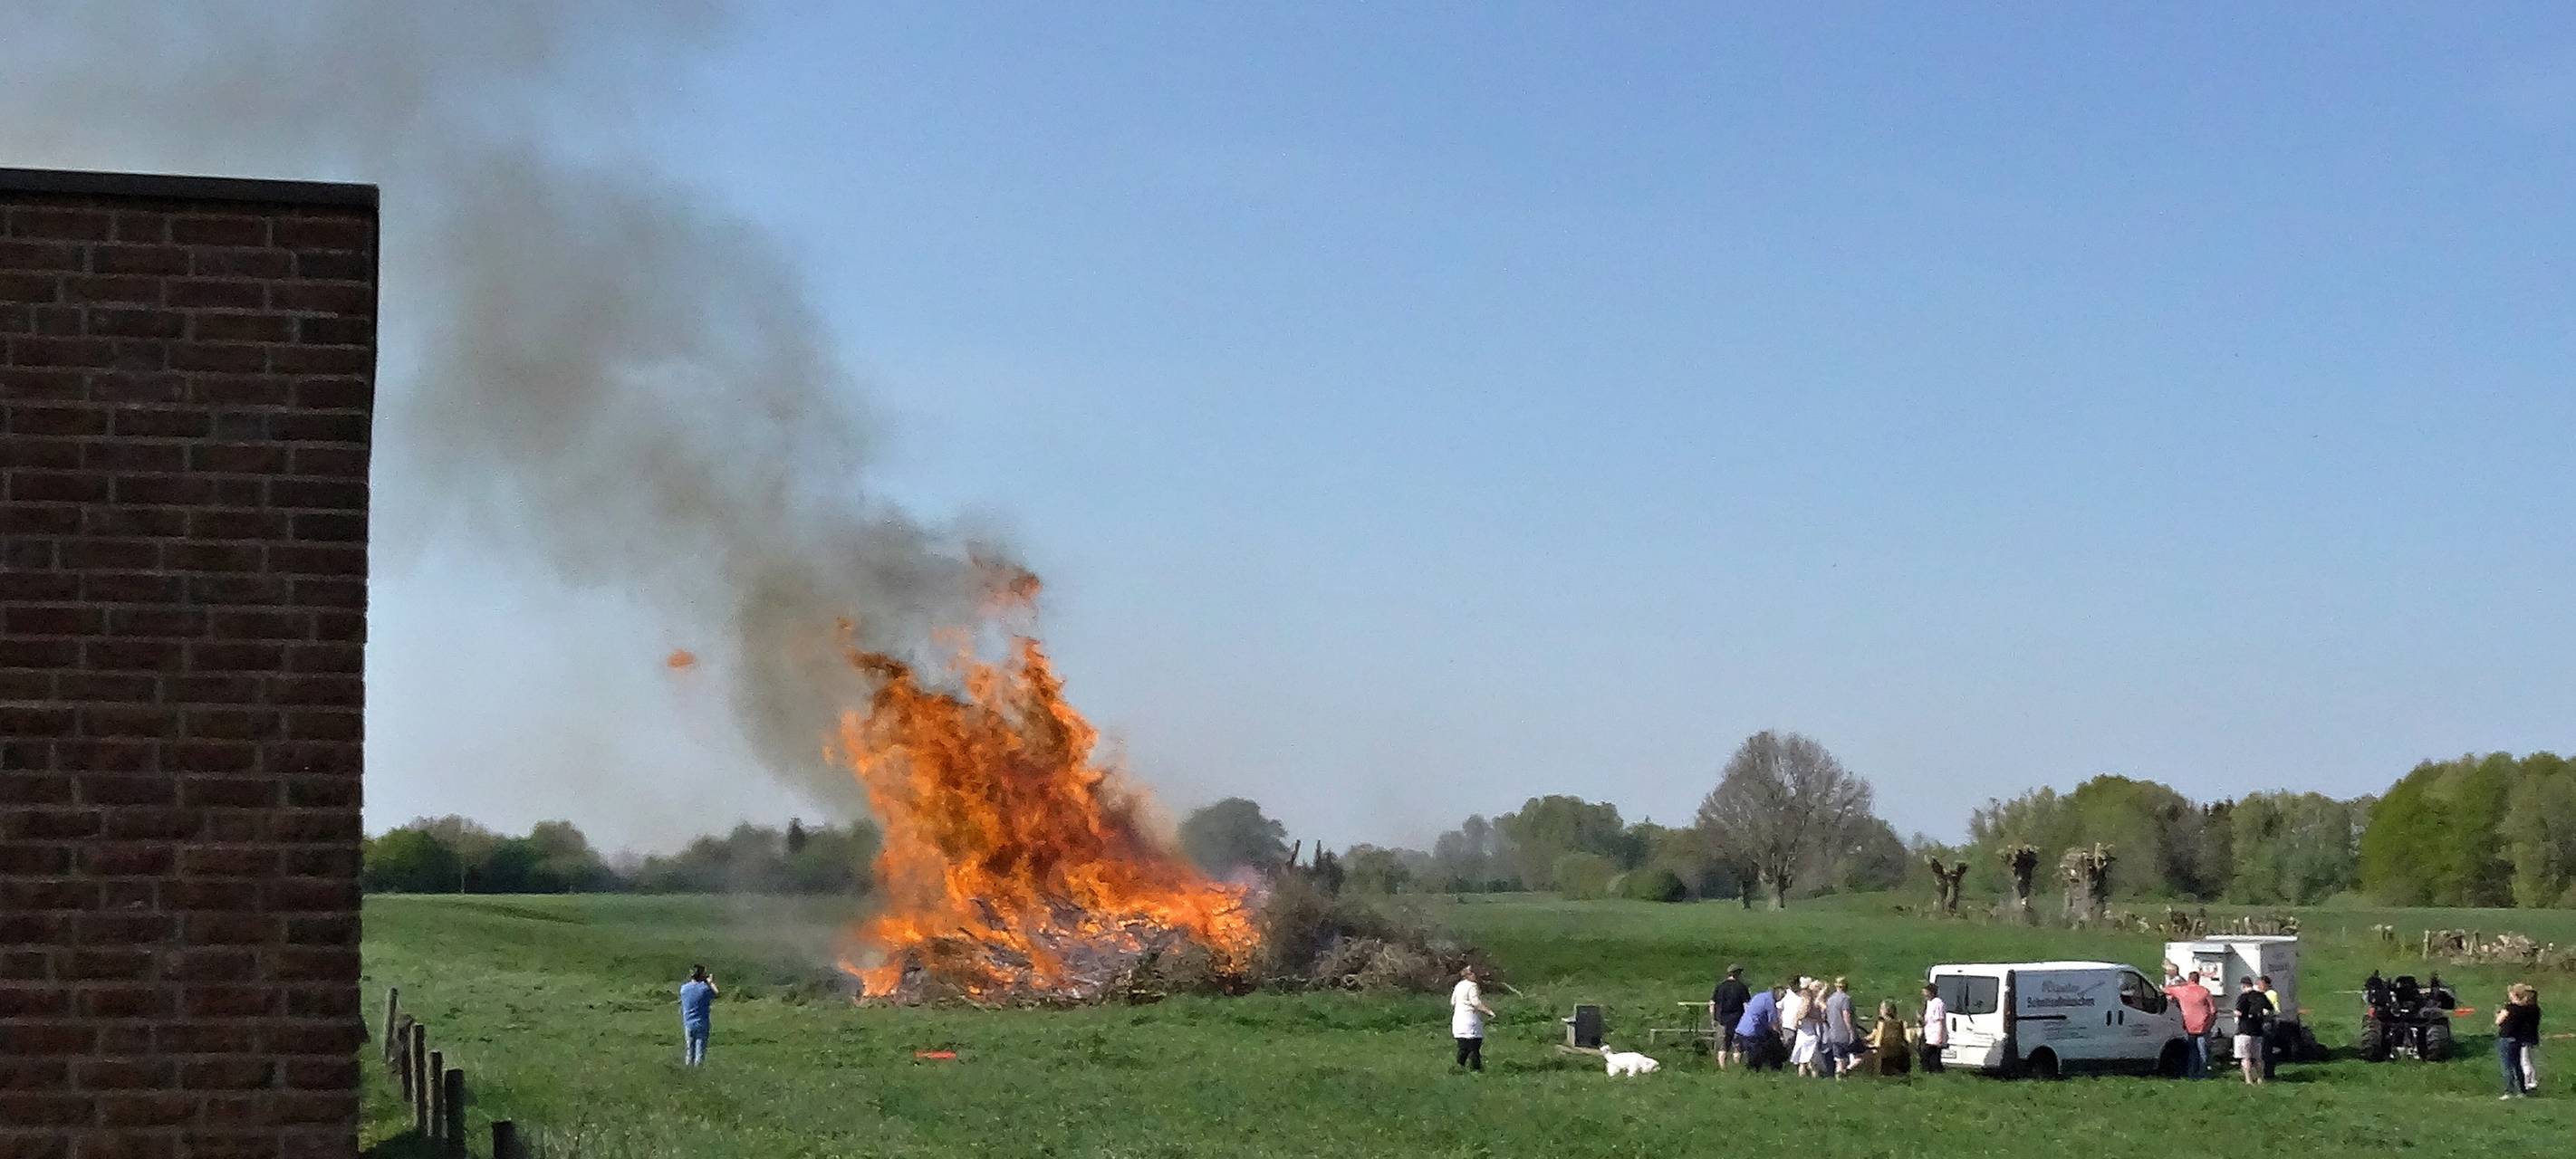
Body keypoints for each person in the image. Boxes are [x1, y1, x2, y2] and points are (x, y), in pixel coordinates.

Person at [2163, 970, 2216, 1078]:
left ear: (2189, 979)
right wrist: (2211, 1023)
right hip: (2203, 1025)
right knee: (2203, 1050)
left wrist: (2182, 984)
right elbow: (2213, 1010)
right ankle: (2202, 1073)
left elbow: (2165, 990)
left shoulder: (2182, 991)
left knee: (2192, 1051)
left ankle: (2191, 1073)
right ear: (2198, 980)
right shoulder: (2204, 991)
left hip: (2189, 1025)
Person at [2496, 982, 2541, 1098]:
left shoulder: (2510, 1008)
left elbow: (2498, 1021)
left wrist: (2498, 1014)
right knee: (2517, 1065)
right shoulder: (2526, 1009)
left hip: (2506, 1038)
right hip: (2518, 1039)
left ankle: (2509, 1091)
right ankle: (2522, 1090)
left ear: (2515, 995)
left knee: (2507, 1066)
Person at [1450, 966, 1494, 1073]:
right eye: (1473, 973)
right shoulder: (1472, 986)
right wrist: (1489, 1012)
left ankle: (1459, 1067)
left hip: (1458, 1020)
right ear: (1468, 975)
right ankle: (1476, 1069)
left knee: (1463, 1047)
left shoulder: (1459, 986)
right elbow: (1476, 1003)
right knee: (1474, 1047)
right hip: (1470, 1021)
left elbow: (1452, 1002)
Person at [1735, 980, 1783, 1071]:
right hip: (1753, 1031)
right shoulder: (1770, 1002)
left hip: (1742, 1028)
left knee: (1745, 1051)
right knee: (1756, 1055)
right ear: (1778, 993)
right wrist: (1780, 1034)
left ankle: (1743, 1069)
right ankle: (1755, 1070)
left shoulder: (1759, 996)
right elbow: (1773, 1022)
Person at [1711, 964, 1752, 1070]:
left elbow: (1712, 1003)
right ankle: (1737, 1067)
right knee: (1737, 1045)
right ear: (1738, 974)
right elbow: (1746, 1005)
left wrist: (1713, 1017)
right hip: (1737, 1019)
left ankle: (1722, 1068)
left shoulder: (1720, 986)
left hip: (1722, 1019)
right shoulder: (1742, 987)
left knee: (1723, 1045)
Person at [2231, 976, 2269, 1085]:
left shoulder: (2243, 997)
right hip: (2258, 1030)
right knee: (2258, 1058)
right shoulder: (2261, 996)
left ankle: (2249, 1080)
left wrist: (2234, 1014)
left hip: (2244, 1030)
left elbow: (2239, 1012)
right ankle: (2260, 1079)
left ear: (2243, 986)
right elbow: (2269, 1009)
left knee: (2246, 1057)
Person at [678, 964, 717, 1067]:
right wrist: (710, 982)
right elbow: (716, 993)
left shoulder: (683, 989)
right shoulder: (704, 989)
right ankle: (698, 1070)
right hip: (702, 1022)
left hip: (688, 1023)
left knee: (689, 1050)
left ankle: (688, 1069)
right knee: (700, 1051)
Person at [1822, 977, 1858, 1078]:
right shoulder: (1845, 999)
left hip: (1833, 1033)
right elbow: (1846, 1014)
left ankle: (1839, 1079)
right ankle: (1845, 1073)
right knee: (1858, 1056)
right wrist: (1851, 1031)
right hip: (1844, 1033)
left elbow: (1826, 1015)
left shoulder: (1830, 999)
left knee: (1839, 1060)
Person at [1865, 1001, 1912, 1077]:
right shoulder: (1900, 1023)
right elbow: (1906, 1039)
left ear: (1884, 1010)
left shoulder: (1881, 1023)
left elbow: (1876, 1039)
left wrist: (1863, 1041)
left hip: (1885, 1053)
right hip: (1898, 1052)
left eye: (1881, 1008)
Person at [2256, 974, 2290, 1078]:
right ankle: (2265, 1072)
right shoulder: (2263, 994)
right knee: (2264, 1049)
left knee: (2266, 1049)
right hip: (2265, 1022)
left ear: (2266, 984)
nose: (2258, 986)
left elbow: (2271, 1009)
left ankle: (2268, 1073)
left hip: (2268, 1023)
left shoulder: (2270, 994)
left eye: (2260, 984)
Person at [1785, 982, 1821, 1076]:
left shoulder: (1801, 1008)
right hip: (1811, 1035)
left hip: (1802, 1035)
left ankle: (1802, 1078)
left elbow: (1797, 1024)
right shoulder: (1814, 1006)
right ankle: (1814, 1078)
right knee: (1813, 1063)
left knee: (1802, 1062)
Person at [1917, 983, 1946, 1073]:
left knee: (1926, 1054)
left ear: (1931, 993)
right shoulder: (1929, 1003)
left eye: (1926, 992)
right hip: (1929, 1033)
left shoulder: (1938, 1003)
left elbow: (1939, 1021)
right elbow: (1928, 1020)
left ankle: (1927, 1070)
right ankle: (1934, 1071)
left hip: (1936, 1033)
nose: (1924, 995)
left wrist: (1940, 1037)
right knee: (1933, 1056)